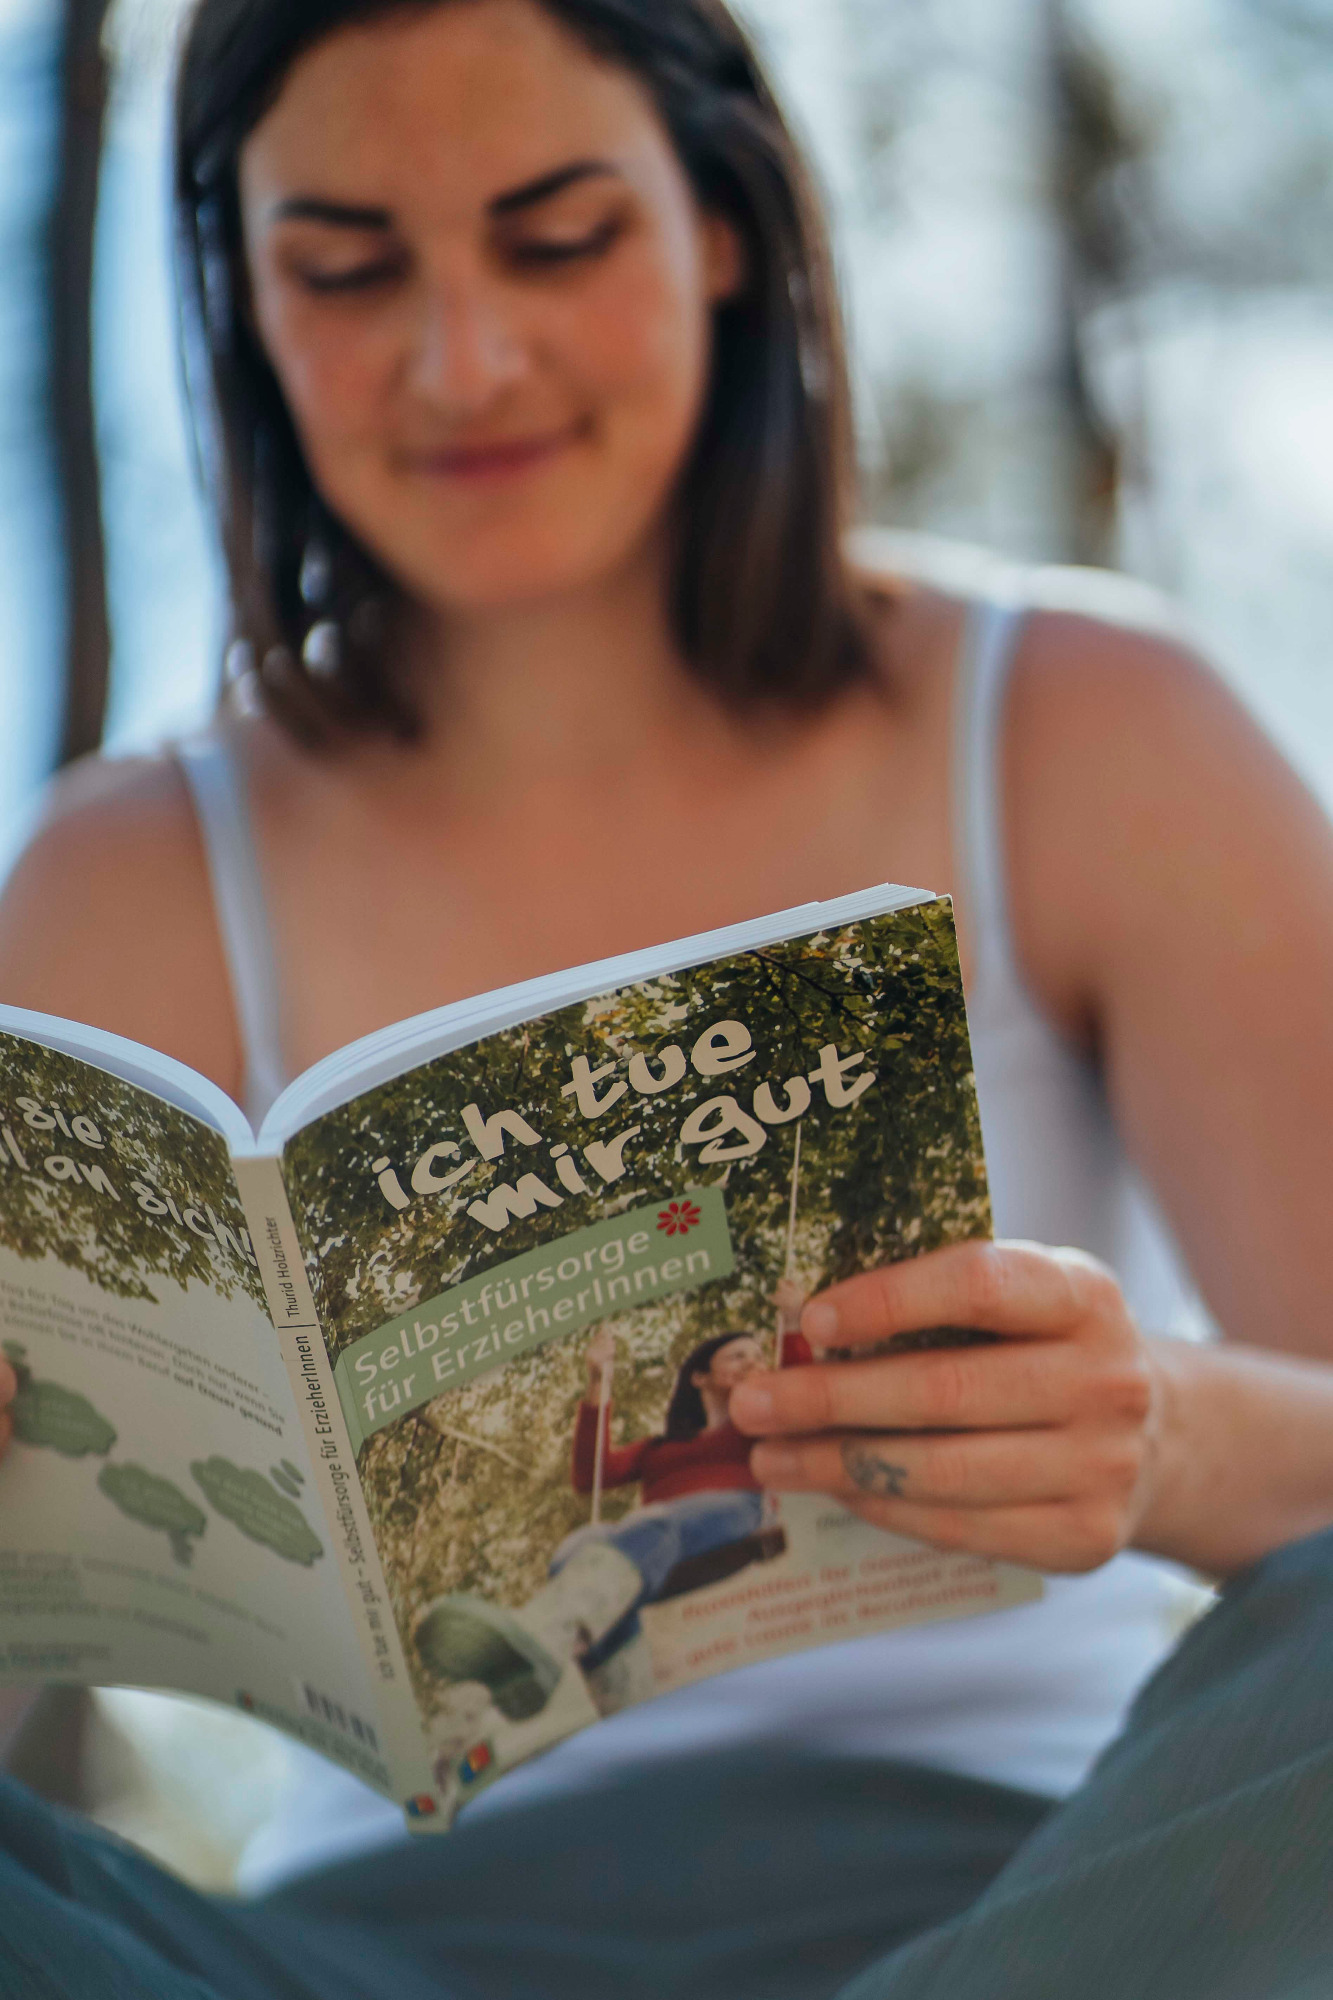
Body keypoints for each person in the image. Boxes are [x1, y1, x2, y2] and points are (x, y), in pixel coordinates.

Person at [0, 0, 1331, 1993]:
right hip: (346, 1964)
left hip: (1034, 1918)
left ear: (721, 221)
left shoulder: (1086, 729)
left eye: (557, 238)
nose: (464, 360)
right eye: (346, 271)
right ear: (243, 297)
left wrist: (1160, 1439)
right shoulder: (120, 880)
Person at [415, 1305, 809, 1724]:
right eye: (738, 1355)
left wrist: (791, 1322)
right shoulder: (659, 1448)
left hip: (734, 1518)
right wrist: (596, 1380)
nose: (753, 1362)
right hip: (655, 1548)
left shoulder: (759, 1429)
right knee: (579, 1545)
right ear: (700, 1377)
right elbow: (590, 1475)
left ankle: (543, 1636)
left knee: (651, 1522)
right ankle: (624, 1711)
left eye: (759, 1355)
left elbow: (804, 1403)